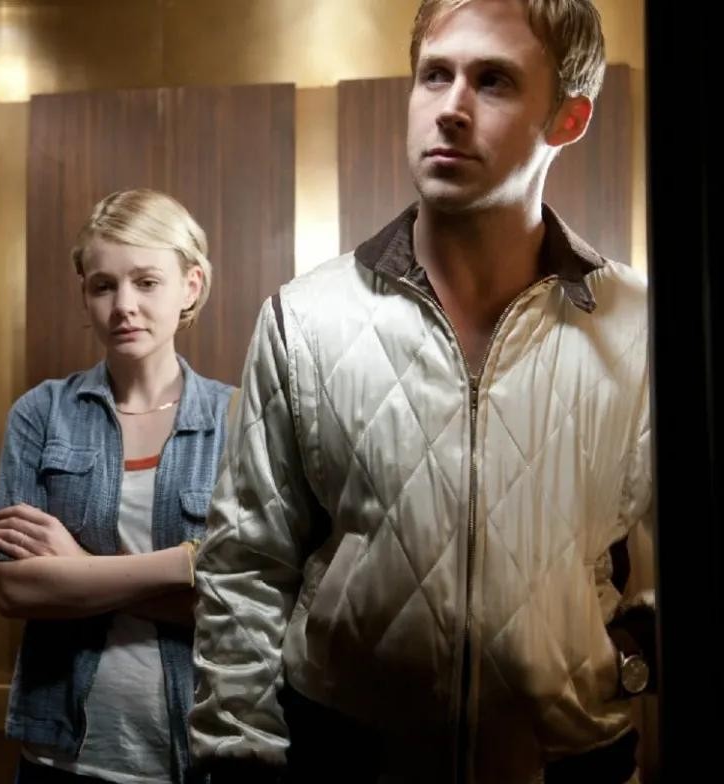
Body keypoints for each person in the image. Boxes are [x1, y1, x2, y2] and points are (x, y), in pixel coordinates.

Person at [190, 1, 654, 782]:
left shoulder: (640, 328)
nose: (451, 108)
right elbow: (243, 569)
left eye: (493, 81)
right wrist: (240, 765)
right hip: (345, 762)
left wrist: (630, 659)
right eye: (435, 75)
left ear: (568, 119)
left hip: (569, 764)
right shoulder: (306, 320)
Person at [0, 189, 232, 784]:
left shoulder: (237, 421)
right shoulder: (42, 414)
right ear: (84, 294)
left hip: (196, 751)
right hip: (60, 755)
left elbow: (237, 608)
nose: (124, 306)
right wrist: (185, 563)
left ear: (190, 286)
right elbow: (14, 589)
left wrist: (76, 569)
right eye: (103, 286)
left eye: (147, 282)